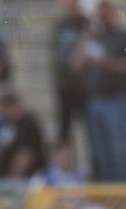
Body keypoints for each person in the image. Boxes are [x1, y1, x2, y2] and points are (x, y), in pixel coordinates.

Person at [76, 1, 126, 182]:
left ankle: (124, 191)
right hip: (95, 101)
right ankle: (105, 192)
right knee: (99, 152)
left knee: (119, 150)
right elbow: (76, 65)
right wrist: (86, 38)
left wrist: (109, 64)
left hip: (118, 100)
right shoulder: (94, 38)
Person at [50, 0, 88, 142]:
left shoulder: (87, 24)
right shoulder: (60, 26)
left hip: (84, 88)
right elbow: (56, 56)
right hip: (65, 87)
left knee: (88, 129)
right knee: (64, 131)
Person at [0, 92, 47, 178]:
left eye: (4, 110)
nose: (3, 114)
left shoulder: (28, 124)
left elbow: (27, 155)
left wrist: (12, 178)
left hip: (24, 177)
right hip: (3, 176)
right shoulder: (7, 123)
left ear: (11, 107)